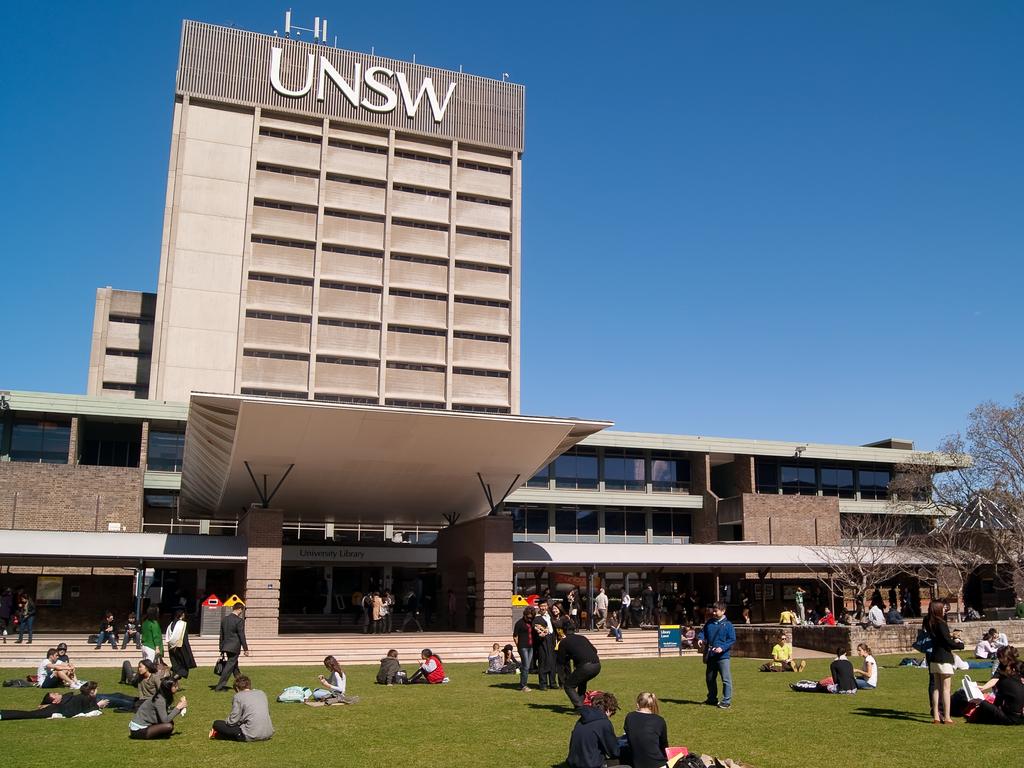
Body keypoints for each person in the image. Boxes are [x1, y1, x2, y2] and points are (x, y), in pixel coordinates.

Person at [924, 599, 963, 724]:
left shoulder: (929, 621)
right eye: (943, 608)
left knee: (936, 687)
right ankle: (947, 717)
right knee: (946, 689)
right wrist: (959, 645)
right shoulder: (941, 623)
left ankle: (936, 715)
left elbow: (941, 638)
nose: (945, 610)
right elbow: (946, 641)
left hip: (934, 656)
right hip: (944, 657)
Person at [0, 680, 108, 721]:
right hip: (61, 709)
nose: (57, 693)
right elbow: (87, 710)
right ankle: (3, 714)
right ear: (54, 701)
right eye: (54, 694)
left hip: (62, 708)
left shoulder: (82, 697)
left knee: (31, 713)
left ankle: (3, 714)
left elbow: (87, 707)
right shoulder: (81, 698)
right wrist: (98, 705)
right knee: (30, 714)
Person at [209, 675, 274, 741]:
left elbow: (232, 721)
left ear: (237, 688)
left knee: (217, 723)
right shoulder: (261, 693)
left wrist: (229, 721)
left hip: (250, 734)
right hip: (268, 733)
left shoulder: (238, 696)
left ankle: (218, 734)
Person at [566, 691, 620, 768]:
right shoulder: (603, 722)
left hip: (574, 763)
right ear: (608, 709)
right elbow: (614, 752)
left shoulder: (582, 719)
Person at [698, 601, 735, 709]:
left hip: (723, 657)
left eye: (716, 611)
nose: (713, 613)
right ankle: (712, 699)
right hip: (711, 656)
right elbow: (703, 632)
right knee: (710, 678)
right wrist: (700, 639)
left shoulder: (728, 625)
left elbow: (732, 639)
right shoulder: (709, 622)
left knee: (726, 679)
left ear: (723, 611)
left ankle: (726, 701)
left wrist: (722, 648)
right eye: (713, 611)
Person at [557, 624, 602, 710]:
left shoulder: (564, 642)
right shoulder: (582, 637)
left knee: (568, 686)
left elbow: (561, 661)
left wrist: (562, 677)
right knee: (581, 682)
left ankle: (580, 707)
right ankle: (582, 703)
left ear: (564, 631)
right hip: (597, 665)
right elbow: (595, 650)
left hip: (585, 667)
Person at [622, 692, 669, 768]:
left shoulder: (629, 717)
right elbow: (664, 745)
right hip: (657, 763)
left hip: (637, 762)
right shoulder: (659, 720)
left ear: (638, 704)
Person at [214, 602, 249, 691]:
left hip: (226, 646)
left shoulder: (224, 619)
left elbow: (221, 634)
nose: (242, 612)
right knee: (229, 666)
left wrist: (221, 647)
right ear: (240, 609)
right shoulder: (239, 621)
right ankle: (219, 687)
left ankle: (242, 685)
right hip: (234, 646)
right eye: (242, 610)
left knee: (234, 666)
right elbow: (242, 635)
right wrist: (245, 649)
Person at [165, 607, 196, 681]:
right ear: (182, 615)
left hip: (171, 648)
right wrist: (188, 651)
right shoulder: (182, 624)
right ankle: (171, 680)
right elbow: (184, 639)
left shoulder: (171, 624)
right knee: (183, 667)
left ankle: (172, 685)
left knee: (176, 666)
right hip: (180, 648)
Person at [533, 599, 557, 691]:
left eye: (545, 606)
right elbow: (535, 629)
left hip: (551, 640)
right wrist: (540, 634)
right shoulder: (537, 618)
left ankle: (552, 682)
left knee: (552, 662)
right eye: (541, 606)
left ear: (547, 607)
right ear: (539, 607)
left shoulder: (550, 616)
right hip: (542, 641)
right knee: (543, 662)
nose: (543, 608)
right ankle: (543, 684)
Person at [512, 606, 535, 692]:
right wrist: (518, 646)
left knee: (527, 666)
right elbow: (515, 636)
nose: (530, 619)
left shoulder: (532, 622)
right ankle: (523, 686)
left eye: (531, 617)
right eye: (528, 617)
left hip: (531, 647)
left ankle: (521, 684)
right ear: (524, 615)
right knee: (526, 666)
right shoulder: (519, 623)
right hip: (523, 647)